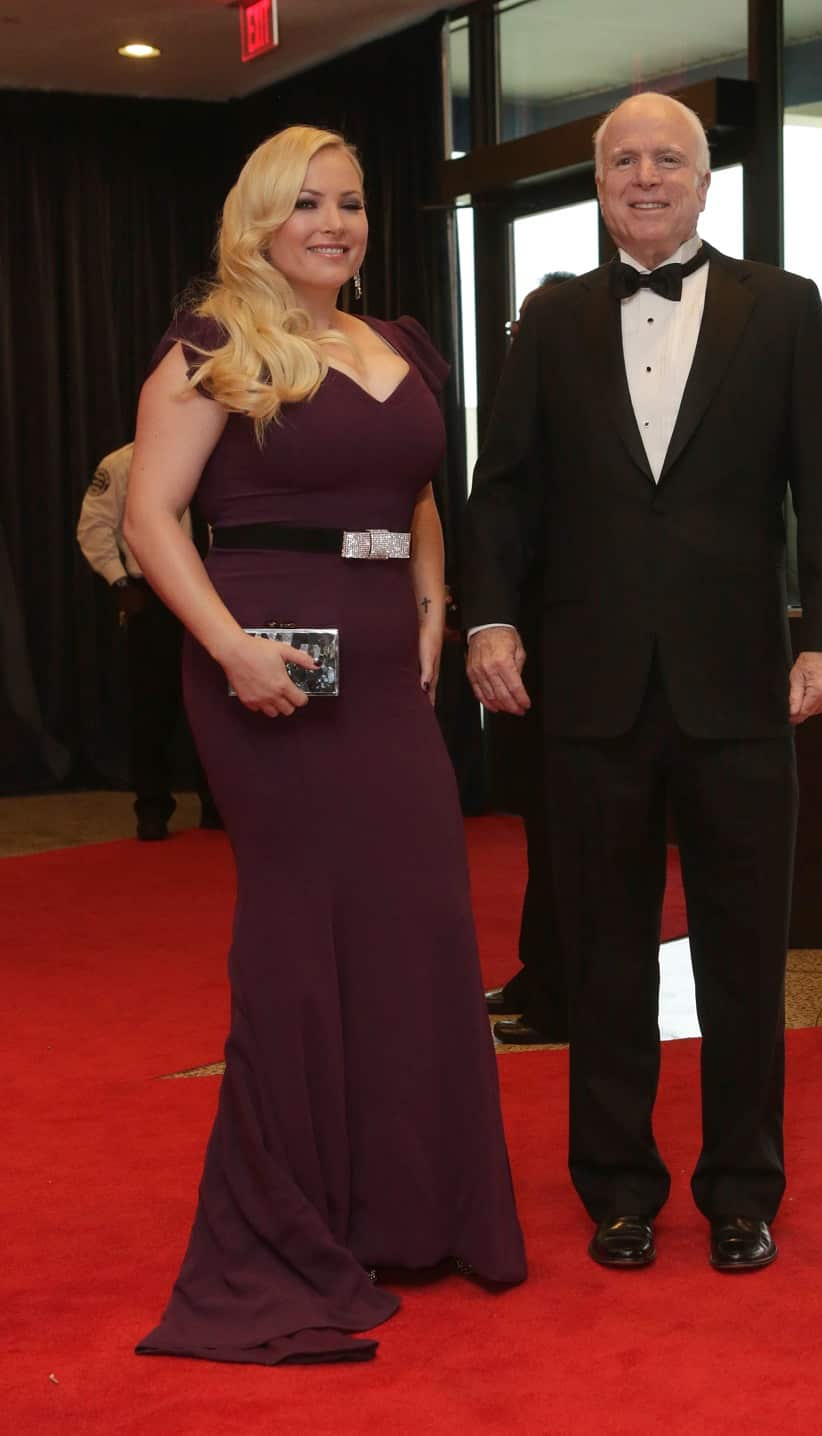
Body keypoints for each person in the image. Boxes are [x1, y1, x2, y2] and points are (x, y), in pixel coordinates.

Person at [125, 125, 525, 1366]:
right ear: (259, 219)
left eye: (350, 202)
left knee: (421, 922)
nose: (334, 222)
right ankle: (292, 1223)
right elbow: (151, 517)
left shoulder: (398, 342)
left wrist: (430, 603)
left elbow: (413, 493)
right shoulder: (210, 345)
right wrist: (235, 649)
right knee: (302, 938)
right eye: (307, 203)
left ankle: (414, 1208)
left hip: (384, 667)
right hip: (267, 667)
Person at [464, 92, 822, 1274]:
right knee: (603, 953)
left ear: (704, 180)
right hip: (588, 692)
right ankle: (618, 1187)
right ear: (598, 182)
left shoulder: (783, 308)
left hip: (742, 686)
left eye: (669, 159)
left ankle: (744, 1187)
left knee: (745, 957)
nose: (646, 176)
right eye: (624, 159)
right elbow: (506, 490)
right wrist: (489, 613)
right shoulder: (548, 319)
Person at [484, 272, 575, 1046]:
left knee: (566, 832)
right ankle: (538, 970)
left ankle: (558, 990)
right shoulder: (531, 423)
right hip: (529, 653)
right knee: (544, 829)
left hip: (571, 655)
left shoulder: (578, 429)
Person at [76, 443, 220, 839]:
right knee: (152, 707)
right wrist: (118, 580)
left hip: (216, 592)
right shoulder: (123, 462)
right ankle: (153, 808)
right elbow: (94, 526)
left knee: (217, 703)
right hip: (153, 597)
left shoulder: (219, 456)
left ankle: (216, 804)